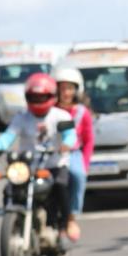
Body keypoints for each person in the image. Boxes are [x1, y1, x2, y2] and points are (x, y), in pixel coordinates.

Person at [0, 73, 77, 240]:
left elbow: (70, 135)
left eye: (42, 97)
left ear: (52, 96)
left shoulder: (62, 116)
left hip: (55, 164)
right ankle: (15, 223)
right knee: (9, 189)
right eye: (34, 97)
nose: (38, 101)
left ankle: (66, 223)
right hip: (29, 167)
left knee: (60, 187)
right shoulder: (21, 117)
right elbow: (9, 135)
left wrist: (66, 145)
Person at [54, 68, 93, 242]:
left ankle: (71, 217)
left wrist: (84, 163)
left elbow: (88, 140)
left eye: (69, 88)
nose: (65, 93)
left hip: (73, 154)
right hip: (50, 154)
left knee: (77, 175)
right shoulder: (49, 110)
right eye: (61, 88)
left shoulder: (81, 112)